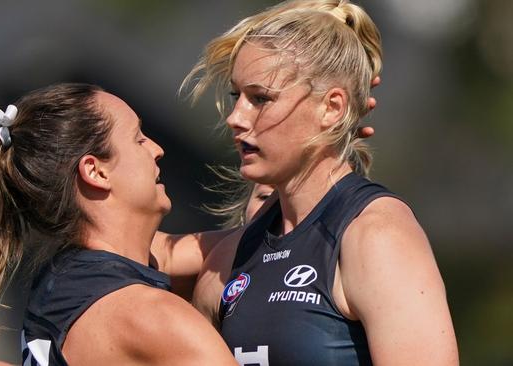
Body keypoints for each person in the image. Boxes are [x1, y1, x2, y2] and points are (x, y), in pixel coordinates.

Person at [0, 83, 238, 366]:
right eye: (138, 138)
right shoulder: (154, 318)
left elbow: (212, 248)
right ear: (95, 171)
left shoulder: (65, 276)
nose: (157, 149)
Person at [188, 0, 459, 365]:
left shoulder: (376, 235)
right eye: (237, 96)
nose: (236, 117)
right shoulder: (230, 258)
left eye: (260, 98)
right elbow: (119, 251)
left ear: (331, 108)